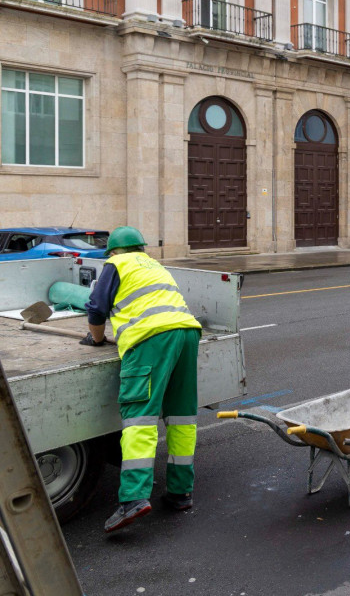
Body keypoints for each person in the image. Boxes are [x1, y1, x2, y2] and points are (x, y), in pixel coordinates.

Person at [83, 226, 202, 533]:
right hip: (187, 334)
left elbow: (96, 308)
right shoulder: (155, 265)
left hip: (150, 340)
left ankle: (133, 499)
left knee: (140, 419)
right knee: (181, 418)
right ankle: (180, 492)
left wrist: (96, 340)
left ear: (114, 251)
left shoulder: (116, 265)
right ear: (142, 248)